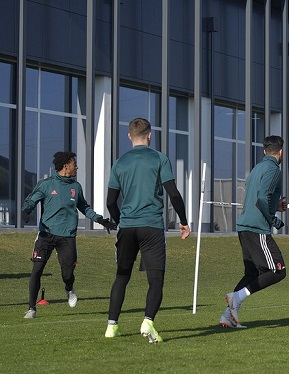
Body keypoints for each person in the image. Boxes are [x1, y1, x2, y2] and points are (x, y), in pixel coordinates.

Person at [104, 117, 190, 343]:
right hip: (151, 227)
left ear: (129, 136)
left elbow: (111, 201)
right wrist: (183, 221)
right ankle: (148, 321)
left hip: (128, 227)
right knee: (156, 279)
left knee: (122, 276)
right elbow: (174, 194)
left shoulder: (119, 163)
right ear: (150, 135)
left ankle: (112, 326)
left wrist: (120, 220)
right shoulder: (159, 159)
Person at [21, 151, 117, 319]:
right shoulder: (46, 184)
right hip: (46, 235)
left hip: (67, 237)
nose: (77, 167)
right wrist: (26, 210)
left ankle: (69, 289)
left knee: (67, 274)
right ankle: (31, 308)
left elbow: (84, 207)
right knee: (37, 270)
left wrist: (100, 220)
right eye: (74, 164)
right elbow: (31, 200)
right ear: (66, 166)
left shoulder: (75, 187)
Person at [221, 135, 288, 329]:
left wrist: (276, 205)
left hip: (244, 227)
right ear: (281, 152)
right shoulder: (274, 169)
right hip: (257, 228)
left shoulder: (257, 169)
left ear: (264, 150)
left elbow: (260, 198)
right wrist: (274, 219)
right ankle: (237, 297)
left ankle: (228, 316)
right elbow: (261, 198)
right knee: (277, 271)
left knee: (251, 274)